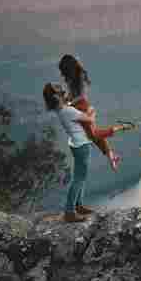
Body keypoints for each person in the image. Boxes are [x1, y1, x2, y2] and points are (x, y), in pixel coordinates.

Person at [58, 54, 135, 171]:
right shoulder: (70, 78)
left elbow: (81, 96)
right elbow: (72, 95)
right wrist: (67, 100)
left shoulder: (80, 76)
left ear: (68, 68)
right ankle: (111, 156)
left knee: (92, 135)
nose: (61, 74)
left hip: (83, 109)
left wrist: (70, 103)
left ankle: (120, 127)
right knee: (94, 136)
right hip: (76, 109)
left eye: (63, 70)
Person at [42, 82, 98, 223]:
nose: (63, 92)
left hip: (75, 144)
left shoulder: (61, 110)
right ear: (57, 96)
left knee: (81, 176)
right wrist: (91, 110)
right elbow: (90, 119)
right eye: (61, 91)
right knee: (79, 179)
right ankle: (69, 212)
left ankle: (78, 205)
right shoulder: (69, 111)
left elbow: (68, 104)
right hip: (81, 145)